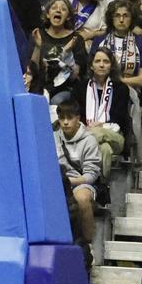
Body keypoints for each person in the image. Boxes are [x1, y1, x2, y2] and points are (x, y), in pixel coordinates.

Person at [72, 46, 132, 180]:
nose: (101, 65)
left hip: (114, 135)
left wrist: (101, 125)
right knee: (104, 149)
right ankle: (100, 185)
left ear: (111, 66)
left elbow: (120, 118)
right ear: (91, 66)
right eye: (98, 61)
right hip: (94, 137)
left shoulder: (121, 88)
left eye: (106, 61)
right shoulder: (80, 87)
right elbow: (75, 113)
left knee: (96, 132)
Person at [53, 100, 102, 264]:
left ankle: (88, 245)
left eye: (69, 118)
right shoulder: (53, 138)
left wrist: (69, 181)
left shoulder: (89, 140)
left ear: (78, 118)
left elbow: (91, 174)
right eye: (62, 118)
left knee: (81, 199)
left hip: (82, 183)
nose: (65, 122)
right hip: (58, 181)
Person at [31, 0, 89, 105]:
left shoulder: (75, 39)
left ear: (68, 17)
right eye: (54, 8)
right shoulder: (39, 35)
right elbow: (33, 69)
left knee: (56, 102)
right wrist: (38, 47)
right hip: (40, 86)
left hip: (65, 88)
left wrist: (66, 53)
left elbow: (74, 75)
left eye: (63, 9)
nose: (58, 10)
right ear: (48, 14)